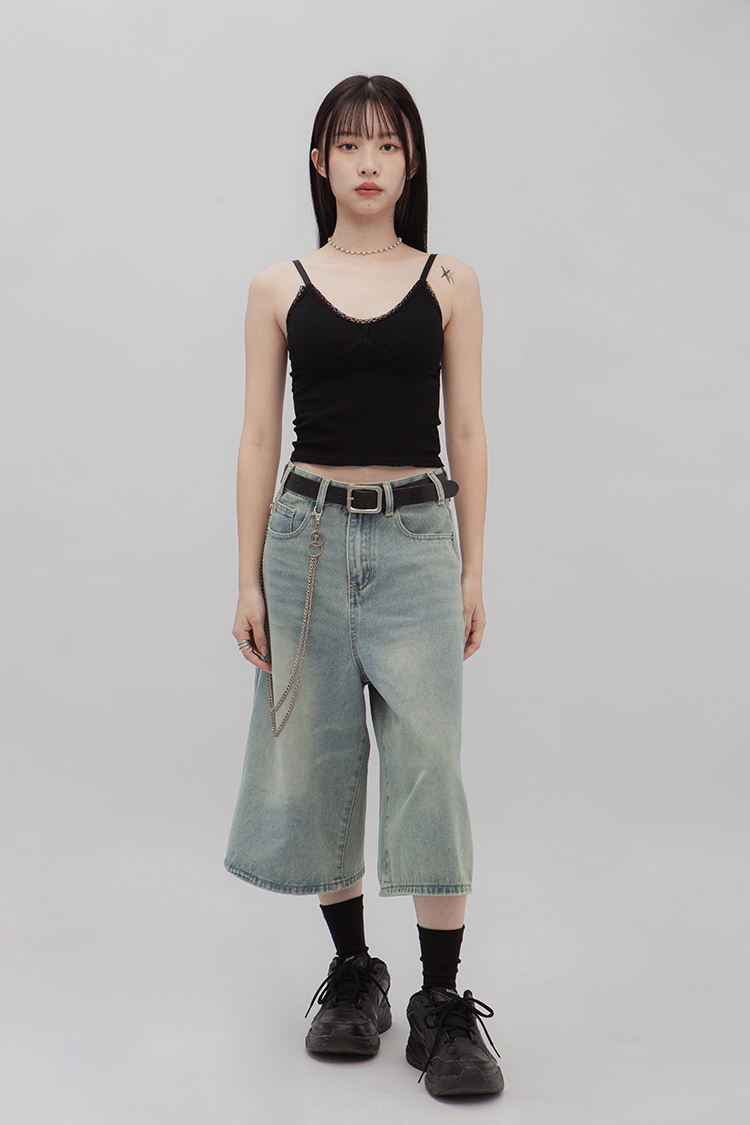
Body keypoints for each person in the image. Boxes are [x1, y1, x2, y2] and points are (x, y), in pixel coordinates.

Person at [224, 74, 503, 1099]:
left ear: (411, 161)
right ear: (320, 162)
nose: (369, 161)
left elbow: (467, 429)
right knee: (320, 756)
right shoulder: (278, 285)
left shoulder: (450, 281)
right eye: (349, 145)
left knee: (430, 761)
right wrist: (247, 577)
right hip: (303, 541)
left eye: (387, 144)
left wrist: (473, 566)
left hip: (419, 536)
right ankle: (354, 972)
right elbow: (259, 437)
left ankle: (442, 1003)